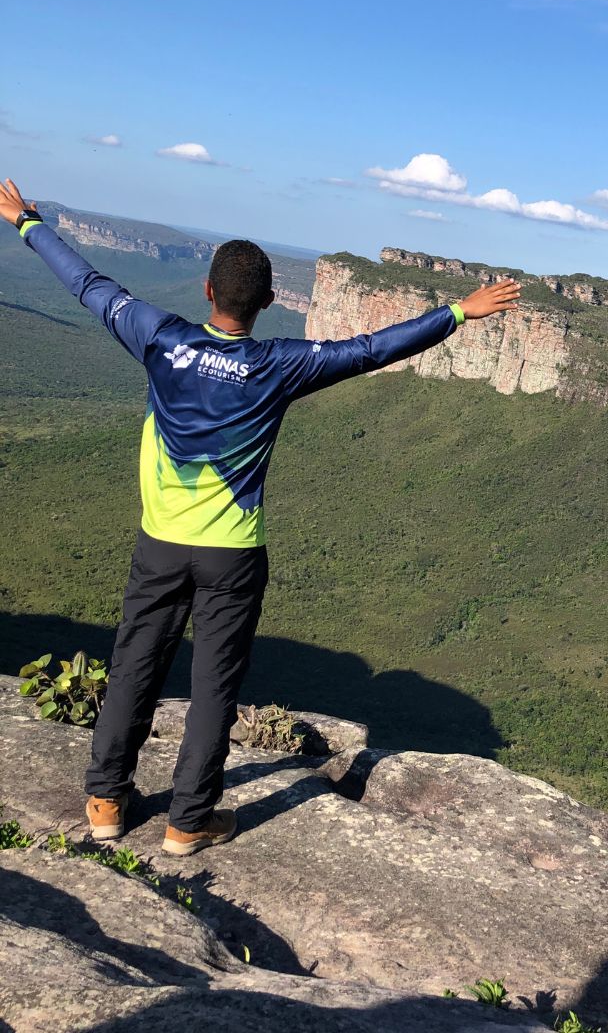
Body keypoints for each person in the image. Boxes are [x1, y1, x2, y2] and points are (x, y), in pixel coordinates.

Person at [0, 177, 520, 855]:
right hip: (233, 556)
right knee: (213, 685)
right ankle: (188, 822)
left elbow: (91, 286)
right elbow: (371, 348)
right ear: (271, 303)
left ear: (207, 292)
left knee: (134, 666)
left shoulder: (158, 338)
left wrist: (27, 224)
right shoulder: (280, 364)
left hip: (160, 544)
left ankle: (105, 800)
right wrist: (456, 312)